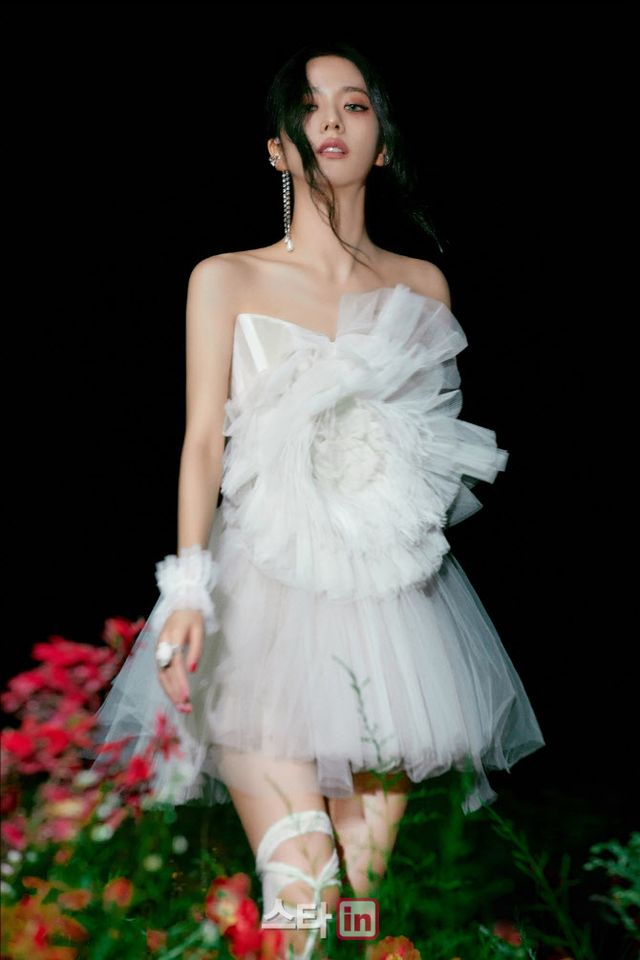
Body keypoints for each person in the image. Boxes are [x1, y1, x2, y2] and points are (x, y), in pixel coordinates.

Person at [91, 40, 545, 960]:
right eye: (308, 105)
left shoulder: (422, 288)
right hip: (258, 606)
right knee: (303, 885)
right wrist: (188, 593)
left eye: (354, 104)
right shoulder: (226, 277)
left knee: (364, 905)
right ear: (276, 147)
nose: (331, 119)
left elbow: (427, 456)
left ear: (383, 142)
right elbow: (203, 441)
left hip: (391, 623)